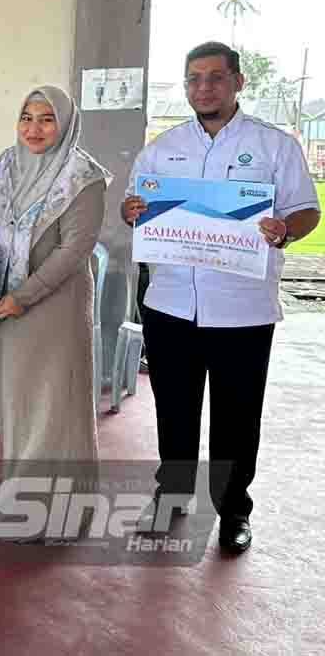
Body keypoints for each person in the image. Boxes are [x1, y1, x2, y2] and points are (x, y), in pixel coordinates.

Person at [122, 42, 321, 553]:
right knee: (175, 411)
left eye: (214, 78)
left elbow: (306, 211)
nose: (203, 88)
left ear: (237, 82)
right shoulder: (161, 150)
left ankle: (234, 510)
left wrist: (284, 230)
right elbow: (137, 208)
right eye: (193, 79)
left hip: (243, 308)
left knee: (236, 415)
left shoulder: (275, 146)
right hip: (170, 304)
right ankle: (172, 499)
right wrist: (133, 211)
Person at [0, 87, 110, 539]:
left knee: (54, 398)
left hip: (53, 306)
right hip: (6, 302)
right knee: (17, 398)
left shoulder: (83, 177)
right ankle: (22, 483)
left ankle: (55, 503)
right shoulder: (5, 165)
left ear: (66, 124)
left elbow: (74, 250)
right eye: (26, 117)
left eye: (46, 119)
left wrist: (26, 295)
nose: (34, 129)